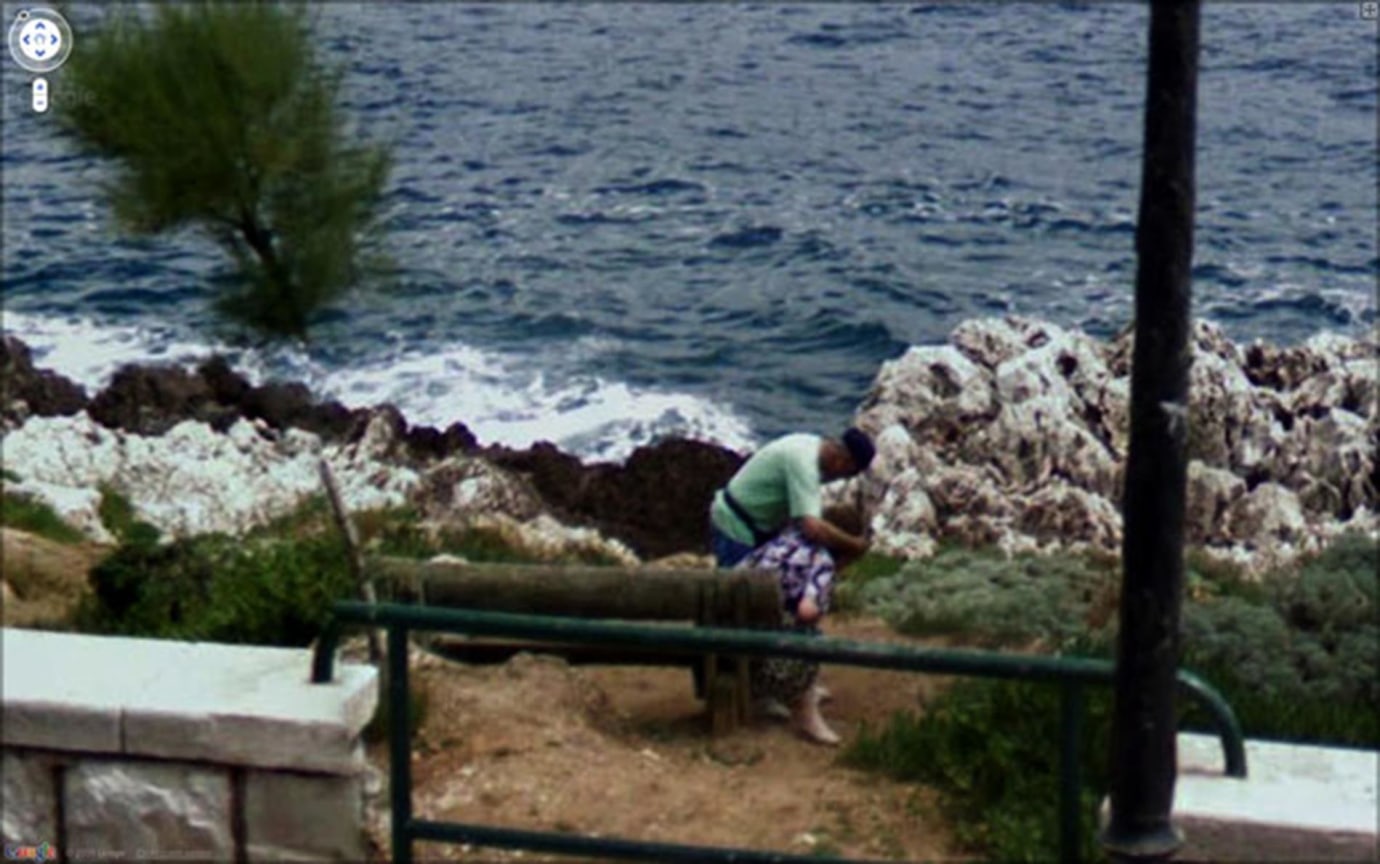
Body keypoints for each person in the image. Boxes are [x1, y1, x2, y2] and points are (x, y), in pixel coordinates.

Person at [738, 504, 864, 746]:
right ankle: (805, 711)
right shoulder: (822, 561)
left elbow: (742, 568)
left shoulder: (784, 540)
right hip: (765, 644)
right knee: (810, 634)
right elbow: (808, 611)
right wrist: (823, 601)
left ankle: (767, 697)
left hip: (734, 626)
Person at [709, 427, 874, 569]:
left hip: (754, 523)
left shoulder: (810, 445)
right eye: (848, 473)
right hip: (737, 525)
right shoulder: (804, 465)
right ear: (842, 462)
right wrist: (855, 545)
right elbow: (812, 528)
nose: (841, 478)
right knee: (737, 595)